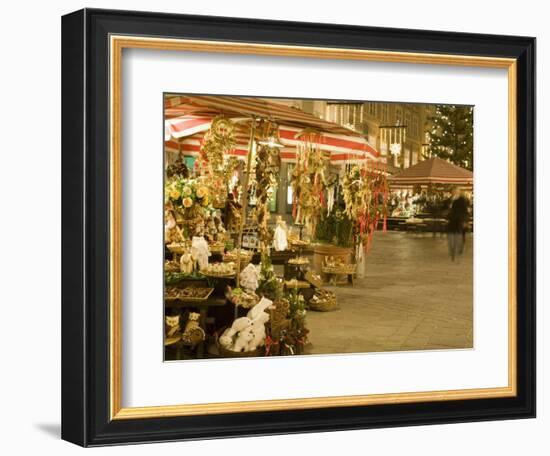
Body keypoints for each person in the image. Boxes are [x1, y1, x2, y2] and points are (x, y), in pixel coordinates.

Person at [446, 187, 470, 261]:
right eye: (453, 191)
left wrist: (465, 221)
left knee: (459, 235)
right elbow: (444, 208)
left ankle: (459, 248)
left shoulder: (462, 200)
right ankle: (453, 250)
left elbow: (465, 211)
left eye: (456, 191)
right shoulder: (449, 200)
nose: (454, 192)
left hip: (460, 220)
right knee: (451, 236)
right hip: (451, 220)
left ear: (459, 192)